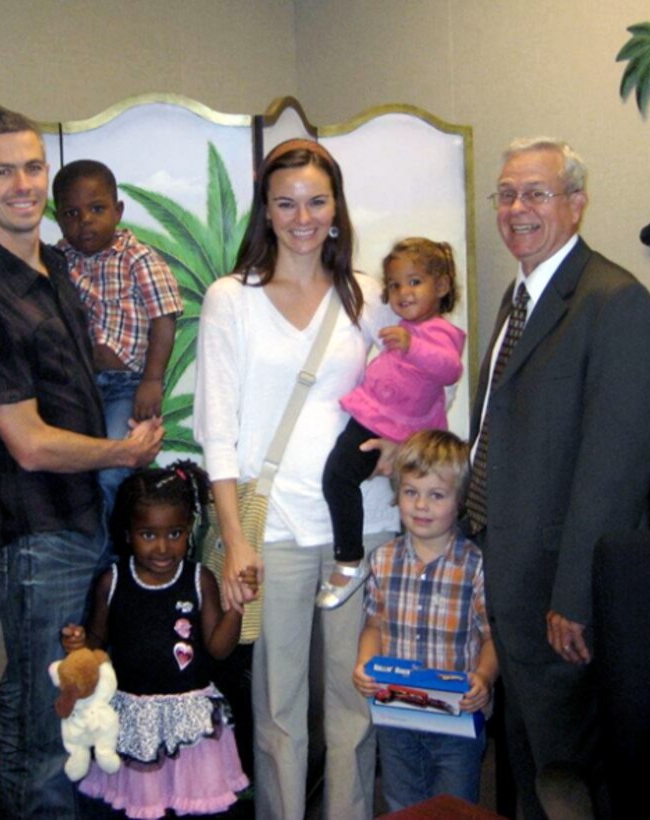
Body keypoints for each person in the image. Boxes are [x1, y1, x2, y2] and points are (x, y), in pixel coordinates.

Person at [0, 109, 164, 818]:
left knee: (33, 705)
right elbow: (30, 443)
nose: (23, 184)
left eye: (32, 167)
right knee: (53, 730)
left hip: (82, 524)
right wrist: (123, 452)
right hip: (40, 537)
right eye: (3, 171)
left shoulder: (57, 267)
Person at [193, 138, 399, 820]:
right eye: (285, 203)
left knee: (354, 702)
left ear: (336, 207)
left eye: (316, 201)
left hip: (359, 528)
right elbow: (215, 431)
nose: (302, 217)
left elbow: (417, 391)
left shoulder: (372, 298)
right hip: (272, 530)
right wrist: (234, 539)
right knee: (277, 707)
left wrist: (400, 446)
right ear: (266, 212)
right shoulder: (232, 299)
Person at [467, 137, 650, 818]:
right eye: (507, 194)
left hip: (560, 594)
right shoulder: (518, 296)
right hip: (507, 577)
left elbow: (615, 468)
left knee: (570, 774)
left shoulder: (614, 301)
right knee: (523, 758)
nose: (517, 208)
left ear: (575, 206)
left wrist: (576, 595)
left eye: (537, 193)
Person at [61, 462, 254, 818]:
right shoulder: (113, 581)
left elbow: (219, 648)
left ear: (189, 530)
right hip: (134, 718)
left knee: (194, 809)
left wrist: (236, 608)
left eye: (175, 533)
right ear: (128, 532)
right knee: (144, 808)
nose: (163, 547)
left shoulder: (200, 579)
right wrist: (79, 645)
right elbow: (99, 642)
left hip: (191, 720)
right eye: (148, 535)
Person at [353, 429, 498, 810]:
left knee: (453, 807)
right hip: (397, 713)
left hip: (456, 719)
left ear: (460, 500)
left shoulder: (475, 565)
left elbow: (491, 637)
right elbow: (374, 625)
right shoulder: (383, 560)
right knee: (402, 804)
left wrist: (484, 678)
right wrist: (364, 665)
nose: (421, 506)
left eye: (437, 495)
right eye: (411, 492)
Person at [318, 238, 465, 609]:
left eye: (415, 281)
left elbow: (450, 369)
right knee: (337, 477)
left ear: (442, 286)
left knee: (413, 507)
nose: (403, 292)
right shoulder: (401, 327)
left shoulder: (440, 332)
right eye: (396, 284)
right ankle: (350, 558)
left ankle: (412, 574)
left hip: (398, 434)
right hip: (369, 421)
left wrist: (411, 345)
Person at [53, 160, 183, 515]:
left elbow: (164, 317)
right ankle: (89, 551)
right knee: (74, 472)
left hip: (126, 387)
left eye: (97, 209)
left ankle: (114, 557)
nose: (85, 221)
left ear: (118, 210)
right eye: (71, 213)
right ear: (59, 218)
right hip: (78, 388)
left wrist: (152, 380)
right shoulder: (58, 258)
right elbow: (14, 268)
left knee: (115, 470)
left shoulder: (138, 258)